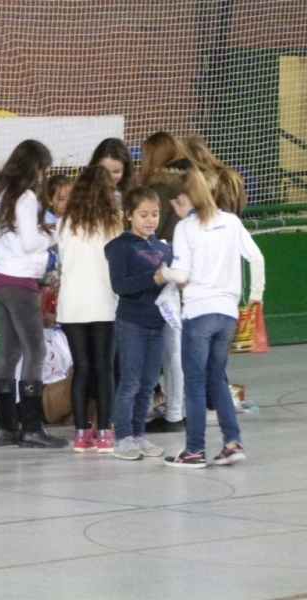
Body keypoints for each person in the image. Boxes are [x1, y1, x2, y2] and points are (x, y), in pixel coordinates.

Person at [158, 168, 265, 468]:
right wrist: (256, 294)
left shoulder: (185, 228)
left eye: (175, 206)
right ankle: (232, 443)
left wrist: (163, 273)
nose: (176, 212)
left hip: (198, 313)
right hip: (227, 315)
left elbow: (182, 274)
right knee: (216, 379)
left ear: (182, 200)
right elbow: (256, 257)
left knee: (194, 383)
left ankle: (194, 449)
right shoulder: (230, 221)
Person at [0, 139, 67, 449]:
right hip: (19, 282)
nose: (43, 177)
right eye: (43, 170)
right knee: (36, 351)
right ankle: (31, 427)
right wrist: (56, 232)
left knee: (10, 353)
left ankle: (6, 428)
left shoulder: (1, 194)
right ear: (34, 168)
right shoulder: (26, 197)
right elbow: (31, 242)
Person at [56, 165, 122, 453]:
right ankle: (105, 432)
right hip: (104, 304)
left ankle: (81, 433)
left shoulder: (64, 223)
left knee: (82, 370)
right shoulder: (114, 223)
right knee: (104, 370)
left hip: (72, 306)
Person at [104, 186, 171, 460]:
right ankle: (122, 438)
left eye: (155, 214)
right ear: (129, 215)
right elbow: (120, 285)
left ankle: (139, 435)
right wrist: (152, 279)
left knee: (148, 383)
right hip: (132, 323)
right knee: (130, 382)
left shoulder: (162, 248)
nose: (150, 220)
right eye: (143, 214)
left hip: (159, 324)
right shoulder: (119, 247)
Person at [140, 131, 191, 433]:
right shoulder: (191, 183)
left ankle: (174, 413)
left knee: (172, 348)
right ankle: (182, 408)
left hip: (167, 272)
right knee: (180, 347)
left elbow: (152, 232)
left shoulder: (158, 188)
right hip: (190, 272)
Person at [88, 138, 137, 202]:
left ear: (126, 170)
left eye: (116, 171)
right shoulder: (85, 193)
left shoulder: (134, 194)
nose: (110, 177)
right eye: (105, 171)